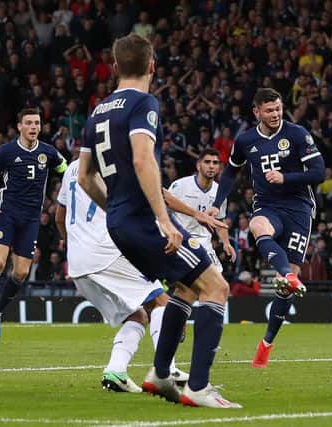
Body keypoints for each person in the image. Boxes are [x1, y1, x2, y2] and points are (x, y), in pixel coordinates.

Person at [78, 34, 240, 408]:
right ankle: (198, 388)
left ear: (115, 67)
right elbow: (142, 159)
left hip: (119, 220)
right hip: (143, 219)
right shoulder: (144, 103)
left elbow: (85, 176)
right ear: (152, 66)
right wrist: (164, 220)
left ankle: (160, 374)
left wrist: (116, 207)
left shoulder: (98, 110)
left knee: (185, 287)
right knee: (216, 288)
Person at [210, 87, 325, 368]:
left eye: (278, 109)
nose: (275, 115)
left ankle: (266, 343)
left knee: (285, 290)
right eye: (270, 110)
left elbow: (319, 173)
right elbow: (231, 173)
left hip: (299, 208)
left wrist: (286, 178)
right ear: (257, 112)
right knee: (258, 226)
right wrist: (217, 203)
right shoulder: (246, 140)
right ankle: (286, 273)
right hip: (267, 204)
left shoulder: (298, 134)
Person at [55, 159, 189, 393]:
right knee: (161, 301)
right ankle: (165, 369)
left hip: (77, 262)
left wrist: (77, 246)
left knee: (136, 316)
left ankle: (115, 372)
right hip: (107, 253)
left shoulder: (71, 170)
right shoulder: (114, 164)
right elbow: (153, 198)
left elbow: (59, 218)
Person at [0, 108, 68, 341]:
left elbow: (66, 171)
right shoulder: (7, 152)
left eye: (37, 123)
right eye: (28, 123)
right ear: (20, 126)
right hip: (7, 214)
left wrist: (66, 195)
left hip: (31, 219)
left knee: (21, 271)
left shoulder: (48, 153)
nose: (33, 127)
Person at [167, 148, 236, 272]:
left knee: (218, 283)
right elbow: (165, 206)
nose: (211, 166)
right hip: (181, 240)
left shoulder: (219, 192)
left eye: (215, 163)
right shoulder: (180, 185)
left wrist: (226, 243)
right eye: (207, 162)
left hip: (204, 244)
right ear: (198, 165)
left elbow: (220, 221)